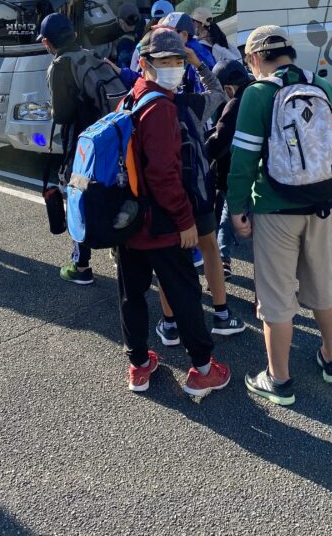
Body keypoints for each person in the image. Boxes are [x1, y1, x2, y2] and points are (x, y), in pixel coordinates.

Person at [226, 25, 332, 407]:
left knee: (277, 295)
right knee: (323, 283)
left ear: (254, 58)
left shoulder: (258, 94)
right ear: (290, 53)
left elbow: (243, 162)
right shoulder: (323, 86)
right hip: (322, 205)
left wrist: (237, 208)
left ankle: (278, 379)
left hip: (275, 208)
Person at [116, 27, 231, 395]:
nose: (173, 67)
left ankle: (139, 365)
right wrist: (184, 220)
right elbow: (164, 175)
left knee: (132, 294)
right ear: (145, 63)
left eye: (177, 60)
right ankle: (202, 369)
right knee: (184, 292)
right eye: (164, 61)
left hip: (129, 220)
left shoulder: (131, 98)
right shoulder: (161, 108)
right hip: (162, 222)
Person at [154, 45, 245, 346]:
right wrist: (199, 65)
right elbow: (218, 92)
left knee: (168, 262)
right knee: (210, 250)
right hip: (198, 192)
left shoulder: (145, 105)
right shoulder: (192, 104)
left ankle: (170, 325)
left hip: (166, 198)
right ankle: (222, 315)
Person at [39, 12, 123, 284]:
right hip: (111, 136)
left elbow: (63, 115)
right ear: (73, 34)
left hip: (82, 142)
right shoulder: (91, 56)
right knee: (110, 189)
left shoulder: (61, 65)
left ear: (47, 42)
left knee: (77, 196)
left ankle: (81, 265)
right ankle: (118, 249)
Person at [205, 59, 252, 279]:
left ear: (228, 88)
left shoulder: (234, 103)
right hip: (263, 174)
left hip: (233, 171)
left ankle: (222, 260)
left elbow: (220, 140)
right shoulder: (260, 94)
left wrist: (202, 151)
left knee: (226, 214)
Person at [158, 11, 215, 91]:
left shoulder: (196, 57)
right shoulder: (180, 49)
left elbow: (203, 94)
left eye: (169, 34)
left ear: (184, 34)